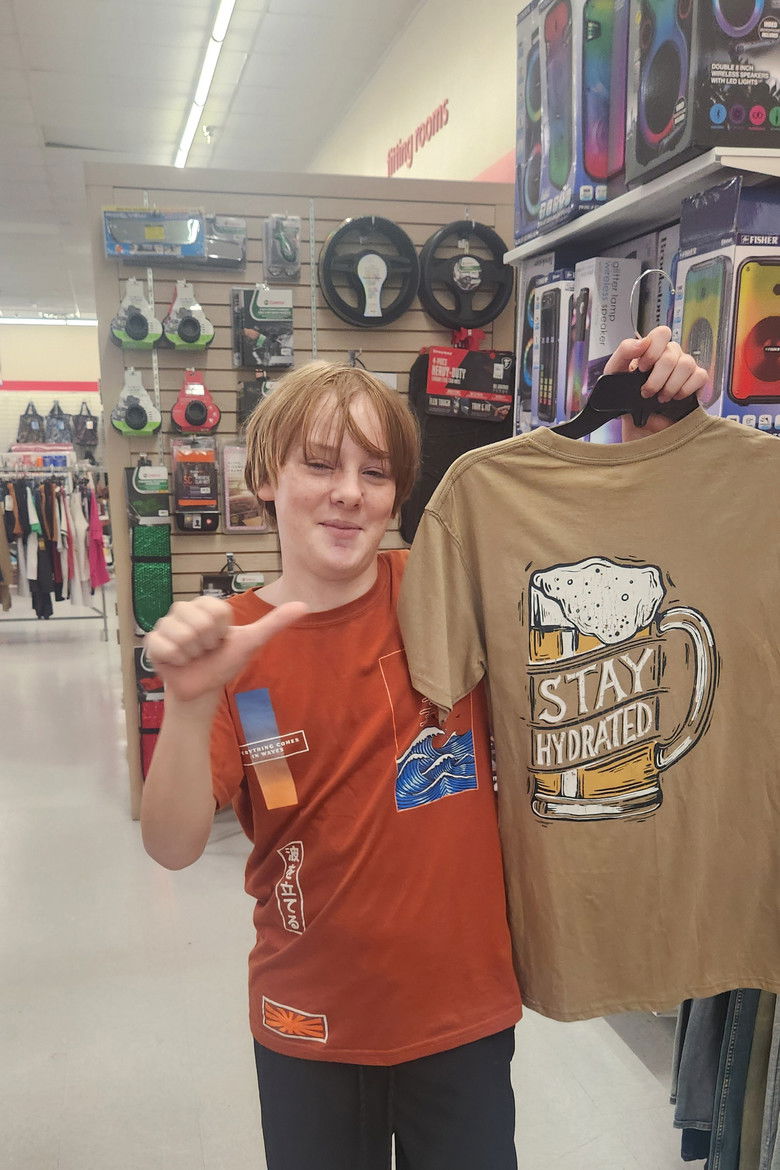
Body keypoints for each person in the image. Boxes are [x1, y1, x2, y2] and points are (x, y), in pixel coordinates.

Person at [141, 327, 707, 1170]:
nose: (348, 493)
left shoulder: (448, 588)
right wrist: (188, 708)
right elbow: (173, 844)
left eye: (374, 473)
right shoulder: (233, 648)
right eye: (319, 465)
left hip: (462, 1017)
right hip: (309, 1023)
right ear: (264, 478)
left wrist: (634, 436)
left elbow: (595, 560)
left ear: (401, 493)